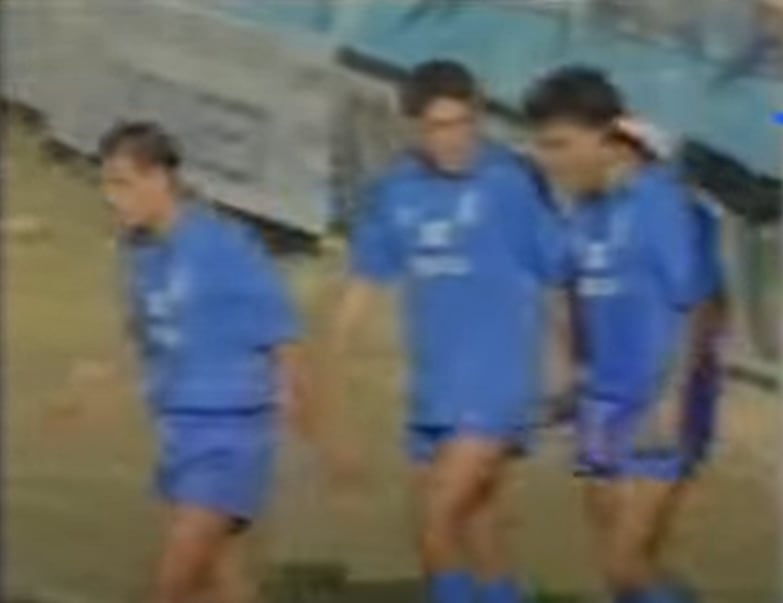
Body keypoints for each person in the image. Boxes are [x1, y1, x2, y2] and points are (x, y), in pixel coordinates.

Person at [329, 60, 565, 603]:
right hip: (434, 388)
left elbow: (556, 278)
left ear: (479, 117)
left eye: (463, 123)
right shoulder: (396, 192)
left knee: (435, 523)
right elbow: (364, 283)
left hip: (497, 386)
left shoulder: (510, 184)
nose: (454, 139)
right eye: (439, 127)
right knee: (479, 528)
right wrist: (331, 369)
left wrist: (570, 367)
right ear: (414, 128)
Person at [523, 66, 726, 603]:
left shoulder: (664, 204)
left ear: (608, 137)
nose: (549, 159)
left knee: (626, 563)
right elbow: (567, 291)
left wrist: (672, 400)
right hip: (602, 400)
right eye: (543, 146)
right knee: (618, 569)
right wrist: (571, 378)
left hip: (661, 398)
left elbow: (701, 307)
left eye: (560, 145)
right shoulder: (583, 211)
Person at [98, 121, 320, 603]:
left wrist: (305, 410)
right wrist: (96, 382)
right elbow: (143, 333)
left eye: (121, 182)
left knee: (170, 586)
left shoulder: (223, 246)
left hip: (229, 435)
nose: (111, 197)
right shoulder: (140, 253)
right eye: (107, 183)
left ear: (158, 178)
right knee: (221, 582)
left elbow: (284, 332)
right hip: (179, 432)